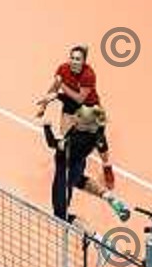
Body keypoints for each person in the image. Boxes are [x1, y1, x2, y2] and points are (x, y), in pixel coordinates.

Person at [36, 44, 115, 189]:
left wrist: (62, 86)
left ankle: (107, 166)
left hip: (89, 107)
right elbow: (54, 88)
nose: (74, 61)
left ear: (84, 61)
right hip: (69, 104)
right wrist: (43, 106)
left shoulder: (88, 75)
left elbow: (80, 98)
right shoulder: (63, 69)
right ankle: (71, 163)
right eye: (72, 58)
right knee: (65, 138)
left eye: (78, 59)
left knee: (99, 140)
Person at [42, 104, 130, 224]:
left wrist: (47, 127)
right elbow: (104, 152)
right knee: (80, 180)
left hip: (65, 172)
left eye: (79, 116)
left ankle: (87, 233)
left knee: (60, 214)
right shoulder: (98, 132)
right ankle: (110, 198)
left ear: (85, 125)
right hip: (78, 166)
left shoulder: (73, 142)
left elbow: (51, 143)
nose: (75, 117)